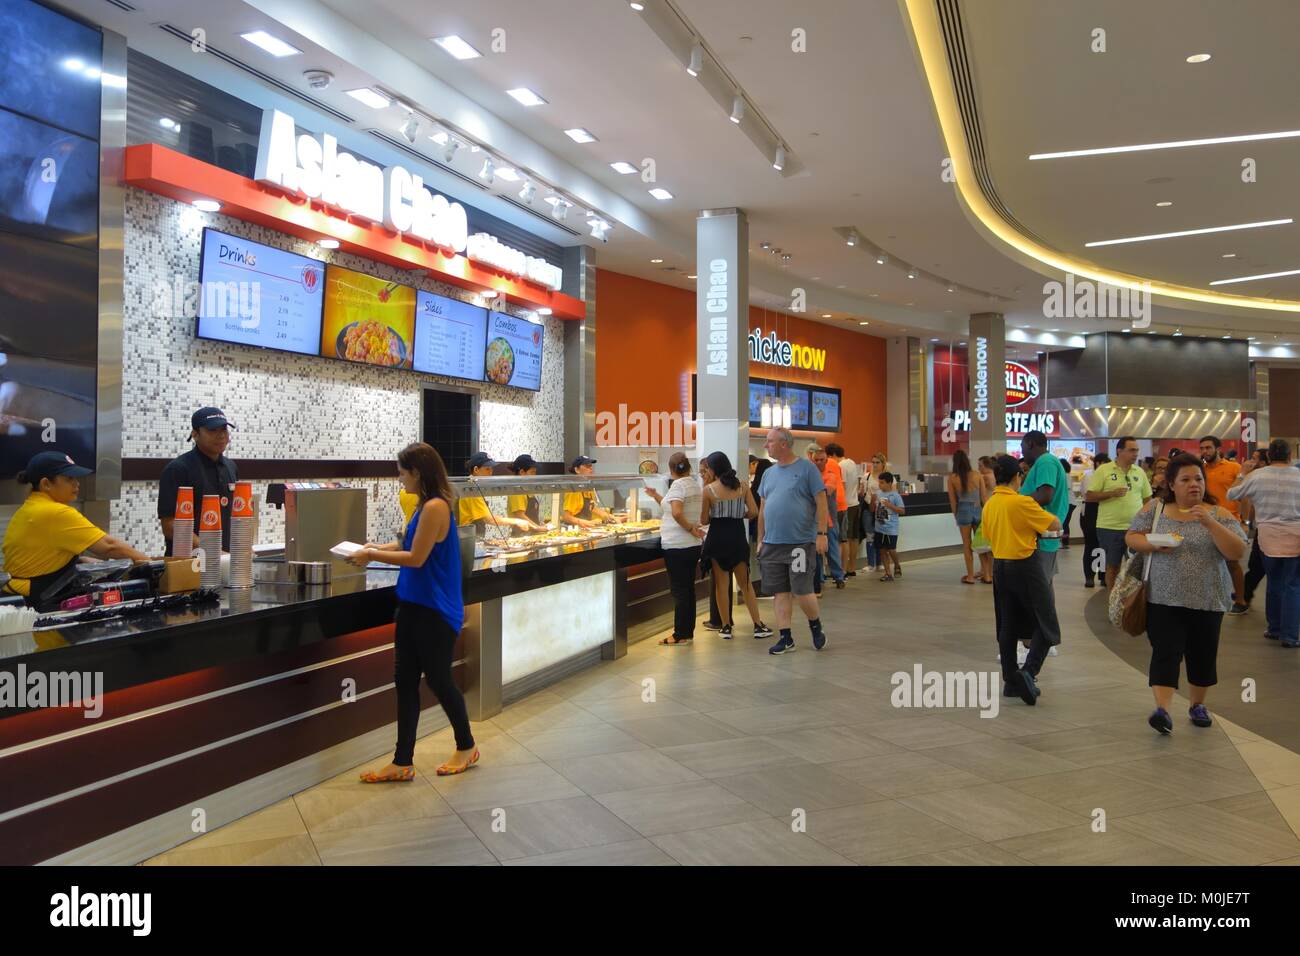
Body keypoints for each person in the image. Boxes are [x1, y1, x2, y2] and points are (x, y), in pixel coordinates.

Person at [349, 444, 475, 779]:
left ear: (416, 473)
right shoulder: (423, 506)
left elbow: (417, 558)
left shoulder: (435, 506)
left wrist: (371, 557)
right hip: (413, 605)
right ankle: (402, 761)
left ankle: (466, 746)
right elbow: (409, 545)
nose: (399, 478)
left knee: (438, 679)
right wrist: (375, 546)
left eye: (402, 472)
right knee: (404, 681)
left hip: (435, 609)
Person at [1127, 455, 1249, 733]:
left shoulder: (1218, 514)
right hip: (1162, 598)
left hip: (1208, 598)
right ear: (1172, 484)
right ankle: (1163, 711)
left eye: (1198, 479)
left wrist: (1209, 523)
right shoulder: (1156, 509)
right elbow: (1132, 536)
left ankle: (1197, 705)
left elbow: (1236, 552)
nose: (1194, 485)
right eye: (1186, 480)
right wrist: (1152, 545)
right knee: (1165, 653)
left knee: (1202, 655)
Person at [3, 451, 152, 609]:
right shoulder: (55, 512)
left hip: (16, 596)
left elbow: (43, 556)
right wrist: (153, 566)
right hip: (35, 602)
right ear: (46, 484)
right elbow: (109, 546)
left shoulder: (31, 508)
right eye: (69, 479)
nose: (77, 484)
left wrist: (80, 561)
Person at [980, 454, 1063, 705]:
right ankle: (1028, 672)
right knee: (1047, 624)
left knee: (1008, 625)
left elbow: (988, 536)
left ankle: (1010, 681)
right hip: (1026, 566)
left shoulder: (990, 505)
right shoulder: (1021, 503)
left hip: (1001, 568)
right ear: (1018, 477)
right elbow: (1055, 523)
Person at [756, 427, 829, 654]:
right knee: (780, 591)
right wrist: (760, 539)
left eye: (769, 441)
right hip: (773, 543)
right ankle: (785, 637)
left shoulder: (807, 469)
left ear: (784, 444)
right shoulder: (768, 473)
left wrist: (821, 533)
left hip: (800, 543)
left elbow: (821, 501)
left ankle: (815, 626)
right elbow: (763, 509)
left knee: (801, 589)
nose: (765, 446)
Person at [1228, 438, 1300, 647]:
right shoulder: (1298, 475)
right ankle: (1290, 636)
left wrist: (1242, 473)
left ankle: (1274, 628)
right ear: (1289, 456)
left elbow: (1232, 493)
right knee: (1293, 585)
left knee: (1274, 583)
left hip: (1267, 536)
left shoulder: (1257, 476)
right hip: (1295, 535)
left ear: (1269, 456)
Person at [699, 451, 771, 639]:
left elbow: (704, 520)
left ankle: (725, 627)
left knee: (721, 585)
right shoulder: (743, 487)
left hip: (717, 539)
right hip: (737, 537)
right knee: (745, 584)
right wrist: (738, 515)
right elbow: (754, 512)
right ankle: (757, 625)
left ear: (713, 469)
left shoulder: (708, 490)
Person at [157, 407, 239, 556]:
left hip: (226, 561)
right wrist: (213, 552)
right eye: (212, 430)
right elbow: (170, 526)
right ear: (195, 434)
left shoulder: (231, 467)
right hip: (190, 563)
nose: (221, 435)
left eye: (224, 429)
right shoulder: (178, 469)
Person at [1086, 436, 1152, 590]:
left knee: (1135, 568)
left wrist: (1147, 523)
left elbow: (1148, 499)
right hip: (1109, 528)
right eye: (1132, 450)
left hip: (1135, 529)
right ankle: (1112, 601)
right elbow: (1090, 496)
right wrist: (1111, 493)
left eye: (1137, 450)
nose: (1135, 454)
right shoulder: (1104, 470)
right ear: (1119, 451)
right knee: (1112, 566)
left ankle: (1131, 603)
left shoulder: (1140, 472)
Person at [1019, 434, 1070, 627]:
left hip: (1041, 535)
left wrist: (1016, 502)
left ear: (1031, 444)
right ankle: (1045, 634)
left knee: (1037, 590)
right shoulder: (1045, 462)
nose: (1022, 453)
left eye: (1023, 447)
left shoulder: (1046, 462)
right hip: (1041, 535)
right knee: (1043, 588)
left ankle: (1037, 637)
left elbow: (1045, 495)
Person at [655, 452, 705, 645]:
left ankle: (680, 634)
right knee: (687, 589)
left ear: (671, 468)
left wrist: (689, 528)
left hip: (677, 545)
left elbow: (676, 512)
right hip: (691, 546)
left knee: (680, 591)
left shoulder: (677, 485)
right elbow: (671, 506)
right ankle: (687, 632)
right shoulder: (693, 484)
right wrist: (656, 496)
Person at [1200, 435, 1248, 615]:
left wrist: (1244, 522)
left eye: (1208, 448)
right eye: (1202, 448)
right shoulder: (1200, 470)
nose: (1205, 451)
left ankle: (1241, 600)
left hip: (1230, 521)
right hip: (1206, 521)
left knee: (1232, 563)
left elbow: (1244, 497)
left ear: (1218, 449)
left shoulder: (1234, 468)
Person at [460, 452, 535, 534]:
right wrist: (517, 521)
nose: (491, 472)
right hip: (470, 536)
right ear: (476, 470)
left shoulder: (474, 486)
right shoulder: (472, 490)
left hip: (475, 535)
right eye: (487, 469)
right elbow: (490, 519)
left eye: (491, 469)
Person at [947, 449, 987, 584]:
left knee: (967, 543)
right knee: (981, 543)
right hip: (978, 509)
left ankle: (970, 576)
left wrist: (956, 515)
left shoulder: (952, 478)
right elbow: (984, 497)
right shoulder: (977, 475)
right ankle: (987, 575)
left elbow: (953, 501)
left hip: (963, 510)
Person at [811, 444, 847, 590]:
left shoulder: (831, 475)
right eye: (816, 460)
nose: (819, 462)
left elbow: (827, 491)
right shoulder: (810, 476)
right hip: (813, 521)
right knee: (817, 552)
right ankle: (819, 578)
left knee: (832, 550)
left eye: (821, 460)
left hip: (829, 520)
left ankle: (838, 577)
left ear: (826, 461)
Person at [1239, 448, 1269, 609]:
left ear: (1264, 462)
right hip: (1260, 529)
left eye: (1255, 458)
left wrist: (1242, 474)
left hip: (1269, 530)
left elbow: (1236, 494)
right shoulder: (1256, 478)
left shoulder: (1259, 478)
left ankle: (1244, 594)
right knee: (1256, 565)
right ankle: (1245, 593)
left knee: (1259, 566)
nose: (1251, 460)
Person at [829, 444, 861, 577]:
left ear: (834, 455)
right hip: (855, 503)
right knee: (853, 538)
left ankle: (841, 569)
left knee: (843, 539)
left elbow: (841, 485)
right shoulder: (852, 463)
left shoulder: (840, 466)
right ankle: (851, 567)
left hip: (845, 505)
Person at [1079, 452, 1110, 587]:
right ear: (1098, 463)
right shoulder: (1089, 476)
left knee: (1104, 546)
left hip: (1105, 512)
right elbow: (1089, 496)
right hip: (1090, 512)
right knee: (1091, 545)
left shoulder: (1108, 477)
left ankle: (1103, 576)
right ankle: (1089, 577)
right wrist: (1109, 494)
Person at [563, 455, 615, 528]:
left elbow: (592, 508)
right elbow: (566, 517)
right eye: (587, 466)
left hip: (586, 530)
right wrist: (585, 522)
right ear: (577, 470)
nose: (590, 468)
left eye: (591, 466)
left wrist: (608, 516)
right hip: (574, 531)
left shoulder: (588, 487)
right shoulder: (574, 490)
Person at [872, 472, 905, 581]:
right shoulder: (878, 493)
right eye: (879, 482)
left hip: (891, 528)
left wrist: (890, 505)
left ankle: (897, 564)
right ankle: (887, 573)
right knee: (882, 550)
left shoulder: (895, 495)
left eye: (882, 483)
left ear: (890, 483)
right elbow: (873, 508)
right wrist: (873, 501)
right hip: (879, 527)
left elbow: (902, 510)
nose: (880, 485)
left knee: (891, 549)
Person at [505, 454, 548, 534]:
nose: (535, 475)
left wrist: (539, 524)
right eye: (532, 472)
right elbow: (520, 515)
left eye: (535, 472)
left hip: (531, 533)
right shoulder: (517, 490)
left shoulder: (526, 488)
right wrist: (537, 527)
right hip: (521, 534)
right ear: (522, 472)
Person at [1058, 459, 1076, 548]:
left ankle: (1064, 543)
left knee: (1064, 523)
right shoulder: (1065, 475)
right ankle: (1064, 542)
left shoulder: (1065, 475)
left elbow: (1066, 488)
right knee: (1065, 523)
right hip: (1069, 502)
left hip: (1069, 502)